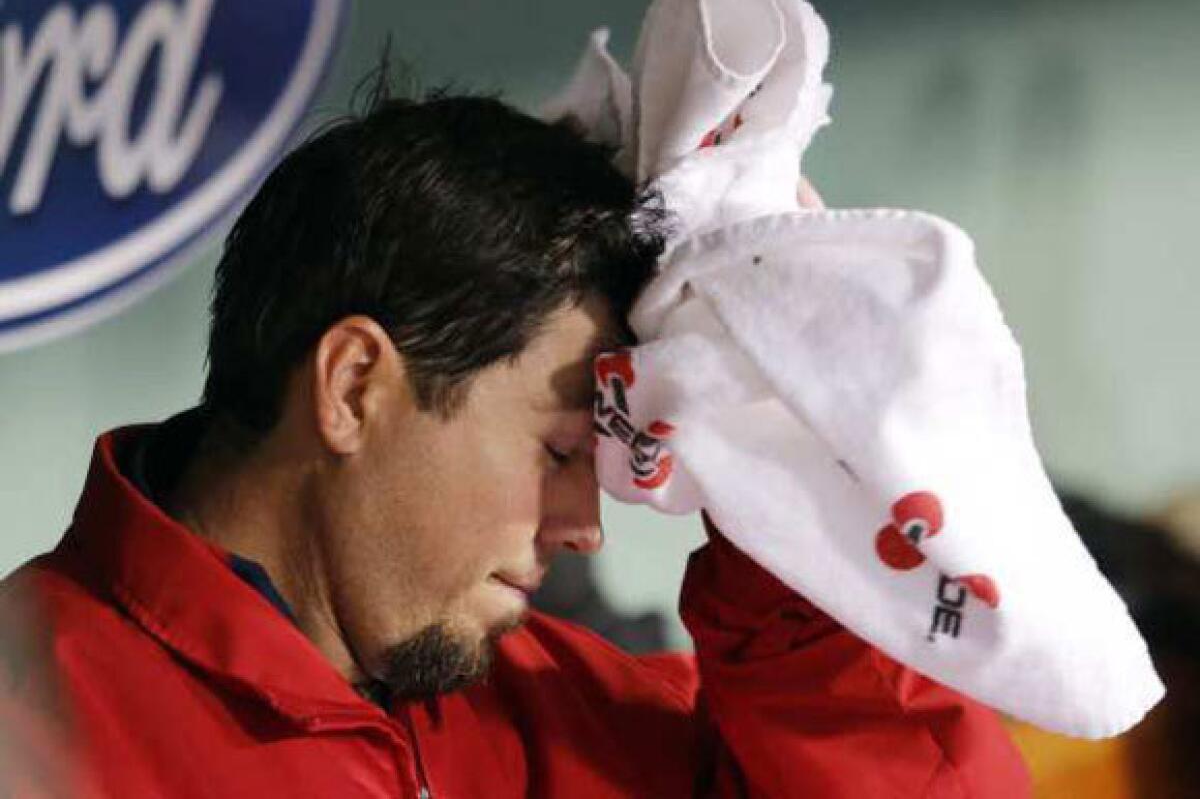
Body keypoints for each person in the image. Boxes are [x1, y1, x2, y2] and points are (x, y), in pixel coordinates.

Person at [0, 90, 1030, 797]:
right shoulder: (28, 726)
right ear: (354, 386)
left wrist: (798, 556)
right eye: (561, 450)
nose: (588, 527)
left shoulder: (562, 703)